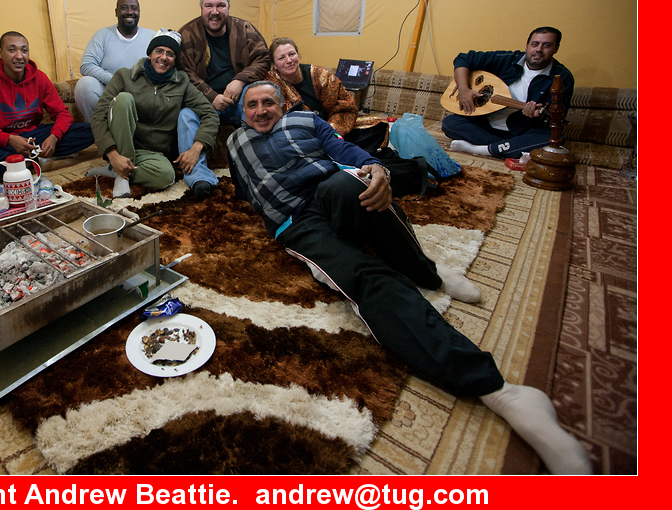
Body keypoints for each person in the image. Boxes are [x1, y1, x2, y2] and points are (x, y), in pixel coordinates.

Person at [227, 80, 591, 475]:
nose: (260, 110)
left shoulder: (306, 120)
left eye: (268, 102)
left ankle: (427, 273)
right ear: (242, 113)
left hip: (332, 192)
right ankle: (497, 390)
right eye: (252, 105)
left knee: (352, 183)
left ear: (283, 105)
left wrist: (376, 168)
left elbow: (345, 151)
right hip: (296, 223)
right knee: (364, 276)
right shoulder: (235, 143)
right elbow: (245, 192)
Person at [89, 29, 219, 200]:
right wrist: (112, 154)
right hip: (123, 145)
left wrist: (197, 147)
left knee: (166, 177)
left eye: (170, 54)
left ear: (175, 60)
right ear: (149, 54)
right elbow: (99, 116)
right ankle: (120, 170)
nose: (164, 57)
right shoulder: (124, 76)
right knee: (124, 99)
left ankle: (117, 170)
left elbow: (210, 114)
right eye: (159, 51)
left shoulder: (182, 83)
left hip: (153, 154)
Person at [0, 31, 94, 178]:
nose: (19, 56)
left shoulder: (39, 78)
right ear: (0, 53)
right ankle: (36, 159)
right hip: (4, 141)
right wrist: (7, 139)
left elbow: (62, 113)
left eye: (24, 50)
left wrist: (54, 137)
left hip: (34, 137)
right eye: (12, 50)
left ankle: (31, 158)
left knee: (93, 130)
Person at [442, 27, 574, 159]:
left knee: (555, 138)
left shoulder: (562, 78)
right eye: (534, 44)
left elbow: (555, 116)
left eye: (547, 45)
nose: (538, 49)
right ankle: (509, 148)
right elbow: (463, 58)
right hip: (485, 125)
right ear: (527, 45)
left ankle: (481, 149)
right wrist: (464, 89)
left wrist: (534, 115)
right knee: (450, 123)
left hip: (521, 130)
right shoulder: (507, 59)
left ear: (556, 48)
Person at [266, 37, 390, 152]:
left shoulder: (320, 75)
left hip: (331, 129)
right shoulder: (271, 85)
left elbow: (344, 107)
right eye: (281, 58)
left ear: (298, 55)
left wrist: (330, 130)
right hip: (301, 136)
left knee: (380, 125)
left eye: (292, 54)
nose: (288, 60)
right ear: (274, 65)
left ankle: (332, 149)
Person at [177, 0, 270, 126]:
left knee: (254, 99)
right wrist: (211, 96)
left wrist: (239, 81)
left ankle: (250, 140)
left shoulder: (245, 29)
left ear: (229, 7)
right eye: (209, 6)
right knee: (185, 116)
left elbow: (263, 58)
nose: (215, 12)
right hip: (203, 101)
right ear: (201, 8)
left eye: (220, 5)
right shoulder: (187, 34)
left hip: (240, 98)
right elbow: (183, 72)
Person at [75, 0, 156, 122]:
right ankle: (97, 127)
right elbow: (86, 65)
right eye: (124, 8)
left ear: (139, 13)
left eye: (134, 8)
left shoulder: (152, 36)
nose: (129, 12)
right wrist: (115, 80)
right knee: (84, 85)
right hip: (110, 92)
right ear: (116, 12)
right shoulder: (102, 35)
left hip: (142, 93)